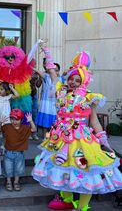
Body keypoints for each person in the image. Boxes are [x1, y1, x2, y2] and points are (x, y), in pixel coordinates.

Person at [32, 48, 122, 211]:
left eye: (77, 80)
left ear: (83, 81)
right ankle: (66, 199)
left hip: (82, 139)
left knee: (86, 171)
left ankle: (82, 207)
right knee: (63, 168)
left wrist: (103, 139)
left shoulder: (89, 98)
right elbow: (52, 73)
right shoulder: (61, 92)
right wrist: (48, 55)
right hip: (59, 138)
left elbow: (94, 121)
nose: (73, 82)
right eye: (71, 79)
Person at [0, 109, 36, 192]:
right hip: (8, 152)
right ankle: (8, 182)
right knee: (8, 168)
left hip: (19, 153)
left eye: (17, 119)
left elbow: (33, 129)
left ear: (21, 120)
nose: (14, 121)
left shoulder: (24, 128)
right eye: (12, 119)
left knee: (18, 169)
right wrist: (0, 122)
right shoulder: (7, 126)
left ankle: (16, 182)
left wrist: (31, 121)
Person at [35, 61, 61, 138]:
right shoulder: (46, 76)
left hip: (55, 104)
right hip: (45, 103)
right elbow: (38, 71)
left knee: (54, 122)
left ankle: (53, 138)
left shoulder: (61, 79)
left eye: (56, 70)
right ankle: (45, 138)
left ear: (58, 71)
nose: (54, 72)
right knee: (45, 122)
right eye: (53, 70)